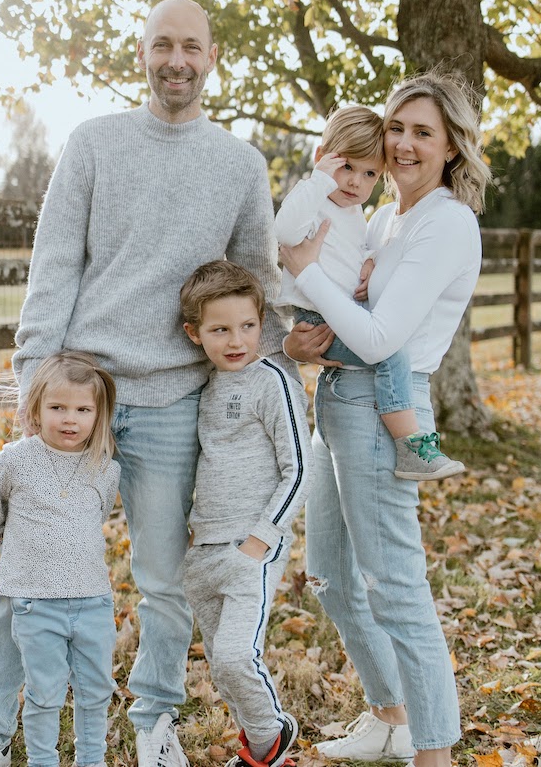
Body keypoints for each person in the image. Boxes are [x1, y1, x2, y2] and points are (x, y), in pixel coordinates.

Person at [0, 0, 293, 767]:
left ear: (212, 56)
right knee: (26, 575)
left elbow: (257, 285)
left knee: (164, 580)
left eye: (190, 46)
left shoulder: (240, 165)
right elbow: (55, 263)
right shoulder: (93, 144)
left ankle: (154, 721)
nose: (176, 59)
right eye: (162, 44)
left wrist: (288, 363)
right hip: (81, 398)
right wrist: (36, 380)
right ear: (143, 53)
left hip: (173, 404)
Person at [279, 70, 491, 767]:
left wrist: (304, 270)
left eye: (422, 132)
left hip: (381, 407)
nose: (402, 143)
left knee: (396, 585)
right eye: (396, 126)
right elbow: (346, 312)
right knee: (333, 577)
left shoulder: (447, 222)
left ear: (452, 147)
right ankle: (390, 718)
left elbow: (378, 339)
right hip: (337, 399)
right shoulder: (383, 214)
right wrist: (297, 341)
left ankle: (434, 753)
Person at [274, 105, 463, 481]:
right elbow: (285, 232)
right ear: (322, 158)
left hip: (337, 320)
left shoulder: (357, 212)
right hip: (317, 319)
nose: (355, 182)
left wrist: (370, 260)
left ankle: (410, 443)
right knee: (392, 355)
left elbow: (347, 252)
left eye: (370, 174)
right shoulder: (313, 199)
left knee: (388, 352)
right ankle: (410, 443)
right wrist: (317, 183)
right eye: (346, 167)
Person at [179, 261, 312, 767]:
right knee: (221, 665)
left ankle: (272, 735)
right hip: (204, 551)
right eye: (220, 330)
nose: (236, 340)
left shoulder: (271, 382)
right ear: (195, 334)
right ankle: (258, 749)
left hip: (250, 548)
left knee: (238, 656)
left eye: (248, 326)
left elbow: (298, 468)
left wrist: (261, 538)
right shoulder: (206, 389)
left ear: (261, 323)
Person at [0, 351, 120, 767]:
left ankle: (92, 759)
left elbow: (98, 513)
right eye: (57, 408)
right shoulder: (15, 461)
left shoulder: (105, 468)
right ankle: (42, 760)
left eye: (82, 410)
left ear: (97, 414)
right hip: (36, 602)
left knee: (95, 690)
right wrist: (11, 545)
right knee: (44, 691)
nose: (69, 419)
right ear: (35, 409)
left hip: (92, 600)